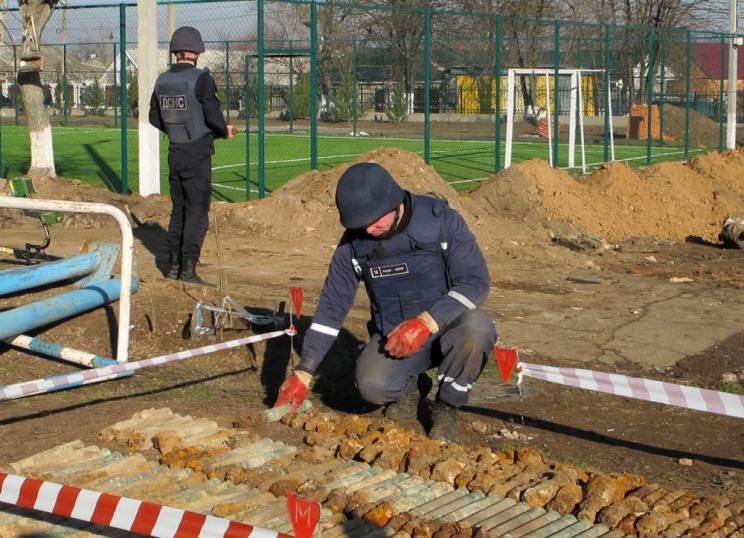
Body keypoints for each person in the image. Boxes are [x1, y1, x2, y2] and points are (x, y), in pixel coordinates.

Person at [274, 162, 497, 443]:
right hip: (395, 336)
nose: (369, 229)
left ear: (394, 203)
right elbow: (332, 308)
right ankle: (412, 387)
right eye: (361, 223)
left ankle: (446, 407)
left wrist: (426, 322)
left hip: (449, 329)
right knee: (371, 387)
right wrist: (304, 373)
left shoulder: (442, 221)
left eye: (375, 220)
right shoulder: (353, 245)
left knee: (478, 329)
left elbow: (476, 283)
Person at [149, 26, 237, 286]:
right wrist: (224, 130)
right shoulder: (202, 79)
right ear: (197, 52)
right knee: (197, 213)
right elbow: (212, 115)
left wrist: (176, 131)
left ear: (175, 52)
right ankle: (188, 270)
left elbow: (154, 117)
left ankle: (173, 268)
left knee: (178, 211)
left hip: (174, 151)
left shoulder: (161, 81)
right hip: (197, 154)